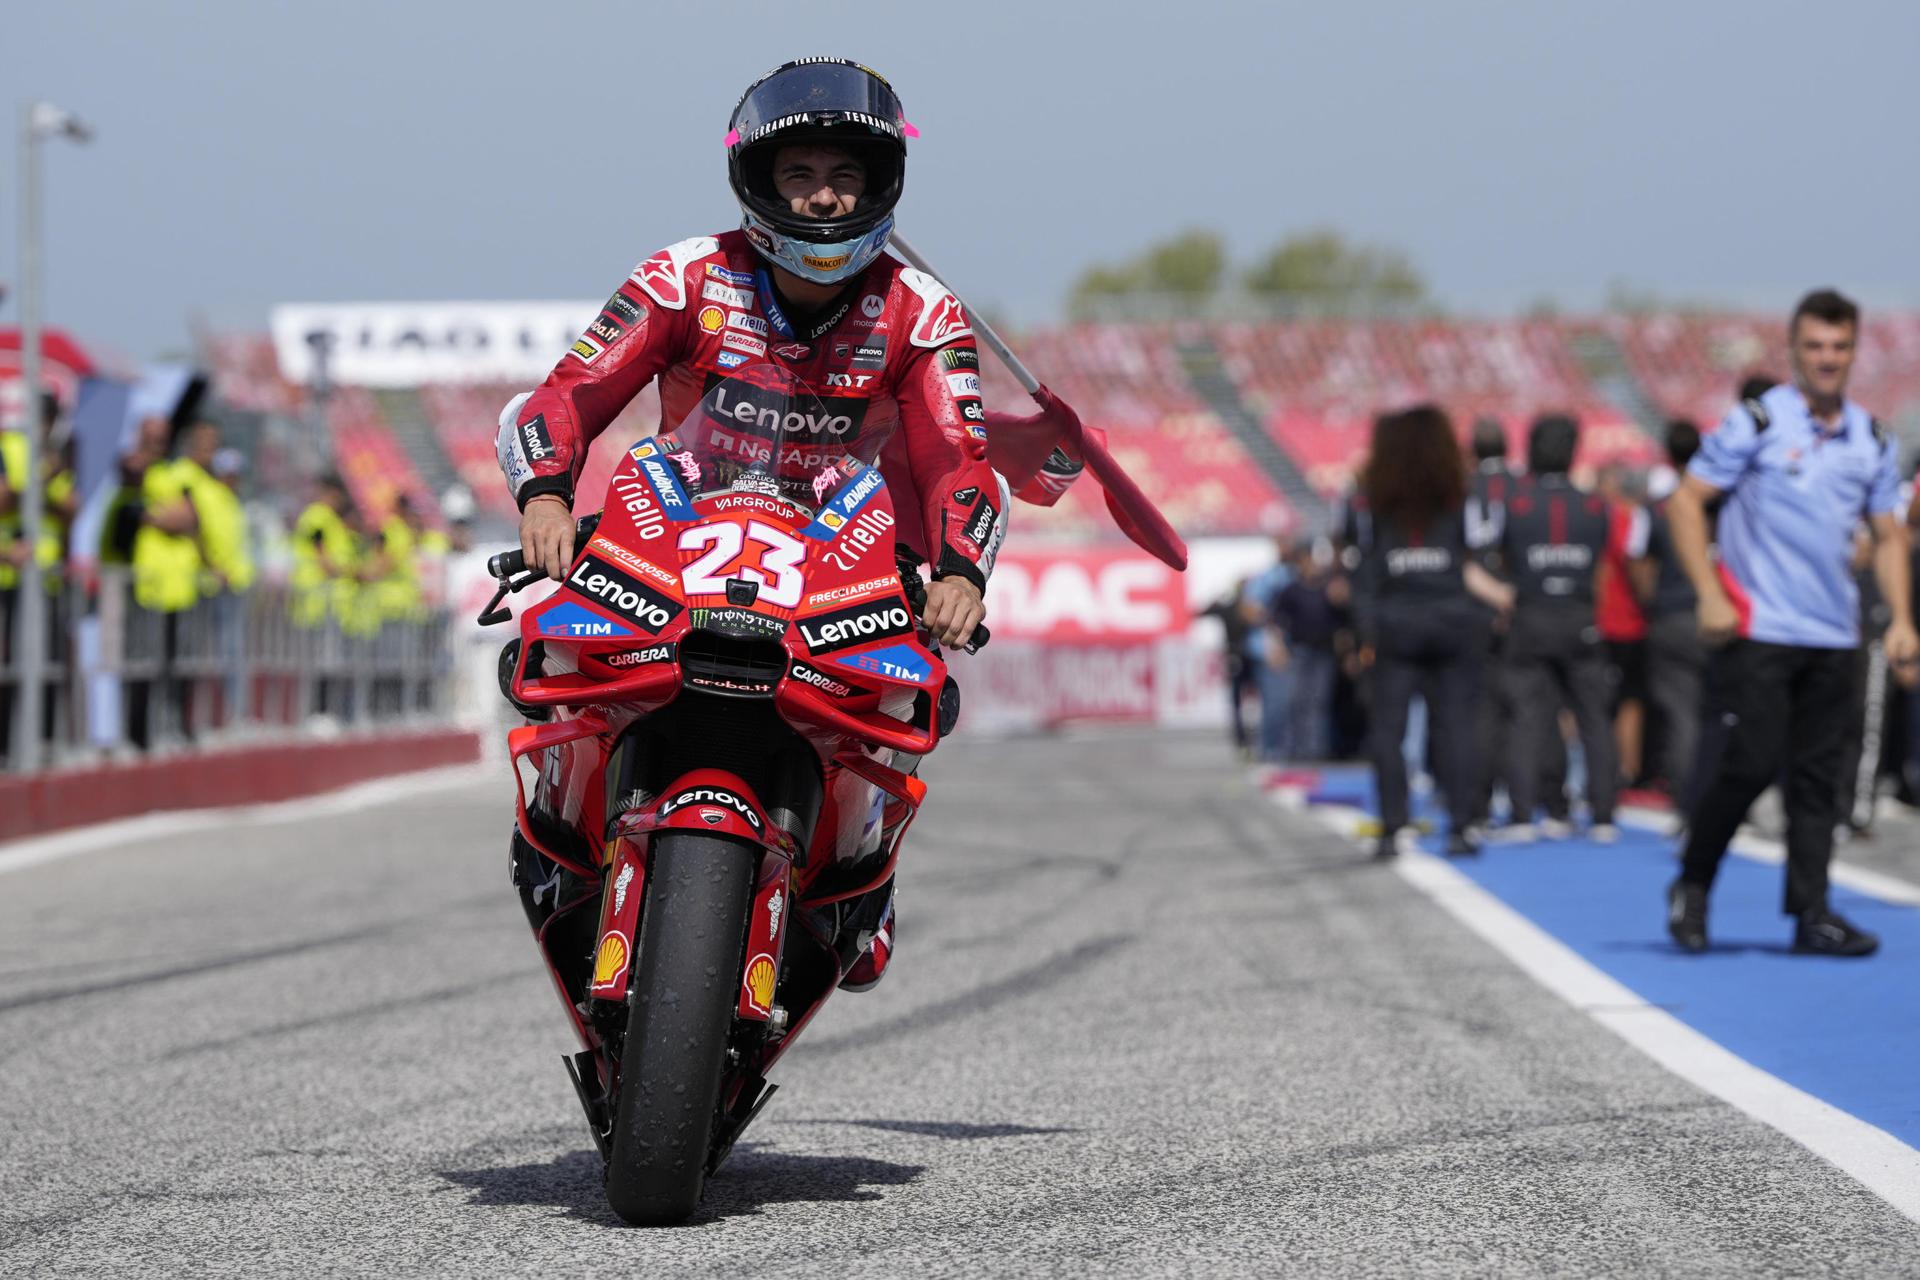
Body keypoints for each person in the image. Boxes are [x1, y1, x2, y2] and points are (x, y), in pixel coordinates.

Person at [496, 58, 1007, 993]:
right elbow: (563, 398)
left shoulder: (923, 312)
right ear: (758, 181)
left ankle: (858, 880)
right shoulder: (682, 275)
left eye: (845, 176)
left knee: (913, 698)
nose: (822, 199)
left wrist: (961, 572)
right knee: (550, 661)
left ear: (882, 183)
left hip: (842, 555)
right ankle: (563, 834)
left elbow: (958, 461)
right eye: (800, 175)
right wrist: (546, 501)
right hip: (673, 533)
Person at [1665, 289, 1918, 957]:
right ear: (1794, 350)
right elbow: (1687, 503)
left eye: (1839, 347)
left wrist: (1900, 620)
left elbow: (1889, 535)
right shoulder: (1757, 421)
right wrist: (1709, 593)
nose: (1827, 359)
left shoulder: (1871, 436)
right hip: (1762, 629)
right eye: (1814, 346)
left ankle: (1812, 914)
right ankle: (1693, 883)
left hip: (1834, 634)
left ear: (1855, 351)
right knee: (1747, 766)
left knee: (1816, 783)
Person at [1350, 406, 1512, 859]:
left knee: (1388, 729)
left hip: (1395, 621)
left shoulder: (1372, 497)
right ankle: (1462, 824)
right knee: (1457, 726)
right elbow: (1477, 554)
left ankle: (1392, 825)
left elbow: (1362, 565)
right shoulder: (1460, 491)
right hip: (1453, 619)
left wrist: (1364, 629)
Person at [1487, 414, 1620, 842]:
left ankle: (1527, 814)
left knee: (1528, 718)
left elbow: (1502, 559)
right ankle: (1602, 815)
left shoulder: (1517, 505)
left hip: (1532, 616)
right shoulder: (1596, 506)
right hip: (1580, 618)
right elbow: (1602, 564)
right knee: (1594, 719)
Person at [1635, 420, 1706, 805]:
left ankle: (1688, 798)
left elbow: (1640, 564)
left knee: (1680, 714)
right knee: (1714, 711)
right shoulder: (1721, 502)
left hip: (1674, 615)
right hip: (1719, 617)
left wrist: (1653, 604)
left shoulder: (1658, 508)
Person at [1272, 538, 1340, 761]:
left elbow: (1340, 622)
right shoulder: (1291, 591)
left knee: (1319, 702)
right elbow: (1278, 622)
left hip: (1324, 652)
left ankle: (1315, 749)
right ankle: (1293, 749)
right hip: (1300, 651)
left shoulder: (1329, 589)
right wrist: (1279, 647)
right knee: (1295, 701)